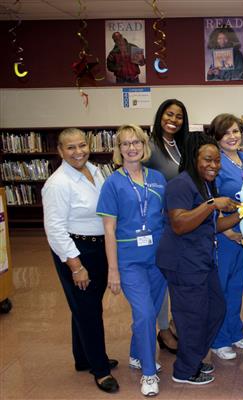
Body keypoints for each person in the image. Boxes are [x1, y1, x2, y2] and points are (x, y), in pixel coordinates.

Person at [156, 133, 240, 385]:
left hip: (202, 261)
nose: (215, 165)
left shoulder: (203, 185)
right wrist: (212, 204)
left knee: (216, 309)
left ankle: (191, 359)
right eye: (208, 159)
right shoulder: (180, 184)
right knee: (191, 317)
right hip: (182, 263)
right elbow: (180, 223)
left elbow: (210, 225)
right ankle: (184, 371)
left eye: (217, 160)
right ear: (194, 159)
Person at [42, 128, 119, 394]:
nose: (78, 152)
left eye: (82, 145)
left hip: (98, 246)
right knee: (88, 310)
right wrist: (76, 266)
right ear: (60, 151)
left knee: (85, 305)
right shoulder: (57, 183)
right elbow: (54, 229)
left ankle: (83, 358)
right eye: (71, 148)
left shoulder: (95, 170)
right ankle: (100, 370)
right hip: (76, 250)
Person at [97, 125, 167, 396]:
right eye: (125, 144)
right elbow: (109, 229)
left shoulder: (158, 178)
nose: (131, 148)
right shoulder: (112, 183)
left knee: (150, 311)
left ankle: (136, 354)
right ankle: (148, 373)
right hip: (129, 261)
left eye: (136, 142)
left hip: (158, 259)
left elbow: (165, 217)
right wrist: (113, 270)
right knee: (146, 314)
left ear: (144, 145)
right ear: (119, 149)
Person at [206, 114, 243, 360]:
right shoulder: (215, 161)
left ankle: (235, 331)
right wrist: (226, 231)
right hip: (226, 234)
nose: (232, 137)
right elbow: (210, 197)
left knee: (238, 286)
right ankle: (218, 340)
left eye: (236, 131)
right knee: (222, 287)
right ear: (217, 137)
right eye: (226, 133)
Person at [145, 98, 190, 354]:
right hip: (160, 222)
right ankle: (162, 330)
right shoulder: (149, 147)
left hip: (184, 221)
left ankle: (173, 323)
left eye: (179, 116)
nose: (173, 120)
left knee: (179, 276)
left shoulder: (184, 145)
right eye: (168, 114)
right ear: (160, 116)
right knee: (161, 278)